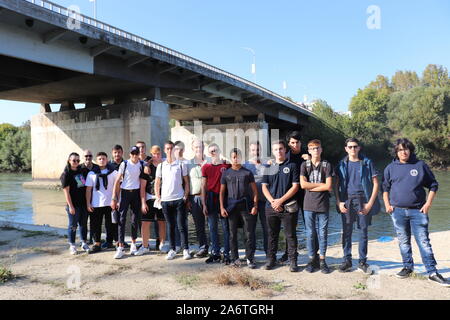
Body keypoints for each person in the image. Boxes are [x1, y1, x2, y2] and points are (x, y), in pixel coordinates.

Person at [382, 138, 449, 286]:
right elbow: (385, 188)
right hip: (397, 212)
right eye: (400, 149)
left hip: (418, 212)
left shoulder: (420, 165)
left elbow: (433, 185)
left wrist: (428, 204)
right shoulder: (390, 168)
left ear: (410, 150)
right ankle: (408, 267)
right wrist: (387, 205)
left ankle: (432, 272)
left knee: (424, 242)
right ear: (396, 152)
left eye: (406, 149)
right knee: (403, 241)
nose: (403, 152)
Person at [335, 138, 380, 274]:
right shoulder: (341, 164)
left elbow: (376, 183)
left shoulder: (367, 163)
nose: (353, 149)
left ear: (359, 148)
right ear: (346, 148)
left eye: (355, 147)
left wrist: (370, 204)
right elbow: (335, 185)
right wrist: (338, 202)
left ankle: (362, 262)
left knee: (363, 232)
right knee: (346, 232)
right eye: (350, 147)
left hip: (363, 200)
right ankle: (347, 260)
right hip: (347, 200)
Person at [262, 140, 300, 272]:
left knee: (290, 235)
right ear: (273, 152)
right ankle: (271, 260)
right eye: (276, 149)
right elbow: (264, 188)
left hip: (288, 207)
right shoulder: (268, 167)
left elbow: (295, 187)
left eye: (281, 149)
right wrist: (273, 202)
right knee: (272, 234)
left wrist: (280, 201)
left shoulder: (293, 166)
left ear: (285, 150)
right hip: (271, 207)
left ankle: (293, 261)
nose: (279, 151)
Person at [220, 148, 259, 268]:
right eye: (233, 157)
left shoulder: (247, 173)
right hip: (231, 206)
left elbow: (255, 191)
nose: (236, 159)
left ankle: (250, 258)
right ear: (230, 158)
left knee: (249, 233)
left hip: (246, 206)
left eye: (238, 157)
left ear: (241, 158)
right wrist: (222, 207)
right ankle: (235, 258)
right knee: (232, 234)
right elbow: (221, 192)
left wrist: (255, 206)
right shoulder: (226, 173)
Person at [300, 139, 334, 274]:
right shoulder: (304, 165)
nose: (315, 151)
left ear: (321, 150)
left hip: (323, 205)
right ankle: (311, 259)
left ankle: (322, 260)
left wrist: (311, 186)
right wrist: (321, 186)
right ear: (308, 150)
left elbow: (329, 186)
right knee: (310, 233)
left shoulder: (327, 165)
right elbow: (303, 185)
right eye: (312, 149)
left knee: (323, 233)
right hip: (308, 204)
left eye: (317, 148)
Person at [155, 141, 191, 260]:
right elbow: (157, 182)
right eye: (168, 149)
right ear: (165, 150)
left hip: (179, 199)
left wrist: (185, 196)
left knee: (181, 225)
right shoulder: (161, 166)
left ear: (174, 150)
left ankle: (186, 249)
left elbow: (186, 182)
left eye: (172, 148)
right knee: (170, 226)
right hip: (165, 201)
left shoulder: (181, 165)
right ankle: (172, 249)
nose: (170, 151)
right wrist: (158, 197)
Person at [278, 131, 310, 264]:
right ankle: (289, 252)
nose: (295, 145)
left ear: (300, 143)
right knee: (290, 226)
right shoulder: (286, 156)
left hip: (307, 195)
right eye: (292, 143)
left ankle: (314, 254)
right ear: (289, 143)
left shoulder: (307, 155)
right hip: (291, 195)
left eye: (297, 142)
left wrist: (310, 161)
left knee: (310, 225)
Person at [110, 146, 144, 259]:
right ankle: (120, 247)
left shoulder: (141, 164)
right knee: (121, 219)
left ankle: (133, 244)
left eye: (136, 153)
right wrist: (114, 198)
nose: (134, 155)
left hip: (136, 193)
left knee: (135, 219)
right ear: (129, 154)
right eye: (132, 153)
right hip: (125, 193)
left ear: (139, 154)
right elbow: (116, 182)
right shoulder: (124, 164)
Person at [201, 143, 231, 264]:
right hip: (211, 198)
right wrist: (203, 204)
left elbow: (238, 165)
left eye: (216, 150)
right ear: (209, 153)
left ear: (219, 151)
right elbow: (203, 186)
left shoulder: (226, 165)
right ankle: (215, 253)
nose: (214, 152)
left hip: (224, 198)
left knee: (225, 228)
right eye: (211, 151)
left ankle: (227, 253)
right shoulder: (206, 167)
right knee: (212, 228)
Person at [135, 145, 167, 255]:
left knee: (162, 222)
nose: (156, 156)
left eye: (158, 154)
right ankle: (145, 246)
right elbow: (142, 187)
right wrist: (143, 202)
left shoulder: (165, 166)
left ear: (161, 154)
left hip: (163, 198)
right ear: (151, 154)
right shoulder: (147, 168)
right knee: (145, 223)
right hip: (150, 198)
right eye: (154, 154)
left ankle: (162, 244)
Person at [85, 152, 118, 253]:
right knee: (96, 225)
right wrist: (88, 203)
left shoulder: (113, 172)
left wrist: (116, 200)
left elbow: (117, 187)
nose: (102, 160)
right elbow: (88, 190)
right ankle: (97, 244)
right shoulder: (91, 174)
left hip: (110, 203)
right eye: (99, 159)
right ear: (97, 160)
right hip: (96, 203)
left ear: (107, 159)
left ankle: (113, 242)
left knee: (112, 224)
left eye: (103, 158)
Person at [60, 152, 90, 255]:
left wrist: (88, 203)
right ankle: (72, 245)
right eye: (74, 160)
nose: (76, 162)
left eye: (78, 160)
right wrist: (71, 206)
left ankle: (84, 243)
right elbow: (66, 193)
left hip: (83, 204)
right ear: (69, 161)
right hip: (73, 205)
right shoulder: (66, 174)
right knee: (73, 226)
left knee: (84, 224)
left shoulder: (81, 171)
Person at [244, 141, 269, 257]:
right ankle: (251, 256)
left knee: (267, 229)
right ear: (250, 151)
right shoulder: (245, 166)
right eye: (253, 150)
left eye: (258, 150)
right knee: (250, 231)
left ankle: (269, 255)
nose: (256, 152)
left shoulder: (267, 164)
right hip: (250, 202)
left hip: (265, 201)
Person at [187, 139, 209, 258]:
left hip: (209, 196)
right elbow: (186, 182)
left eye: (200, 147)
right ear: (192, 148)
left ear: (203, 147)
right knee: (199, 224)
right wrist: (188, 199)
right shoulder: (188, 163)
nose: (198, 149)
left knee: (212, 224)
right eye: (195, 147)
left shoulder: (210, 162)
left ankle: (216, 248)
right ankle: (203, 247)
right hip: (195, 197)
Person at [81, 149, 100, 244]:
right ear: (83, 157)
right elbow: (78, 183)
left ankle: (93, 239)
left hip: (95, 199)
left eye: (90, 156)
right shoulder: (80, 168)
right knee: (83, 221)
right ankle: (83, 240)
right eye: (86, 156)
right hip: (83, 199)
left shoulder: (97, 168)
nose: (88, 158)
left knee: (94, 221)